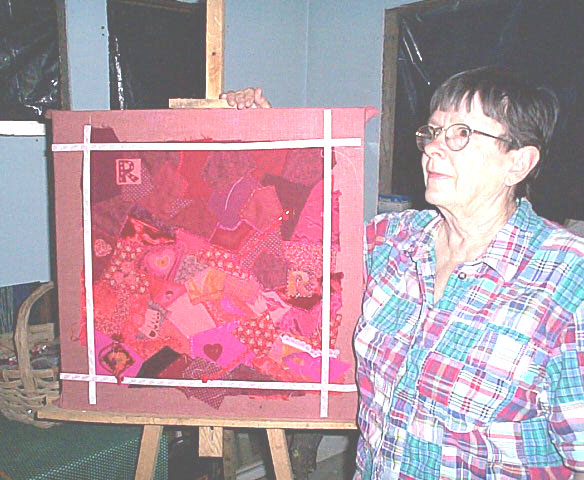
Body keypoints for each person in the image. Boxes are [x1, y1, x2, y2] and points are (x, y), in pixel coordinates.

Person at [223, 66, 584, 479]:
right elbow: (291, 253)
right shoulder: (391, 241)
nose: (433, 148)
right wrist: (265, 142)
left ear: (517, 164)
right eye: (433, 132)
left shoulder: (568, 281)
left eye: (461, 133)